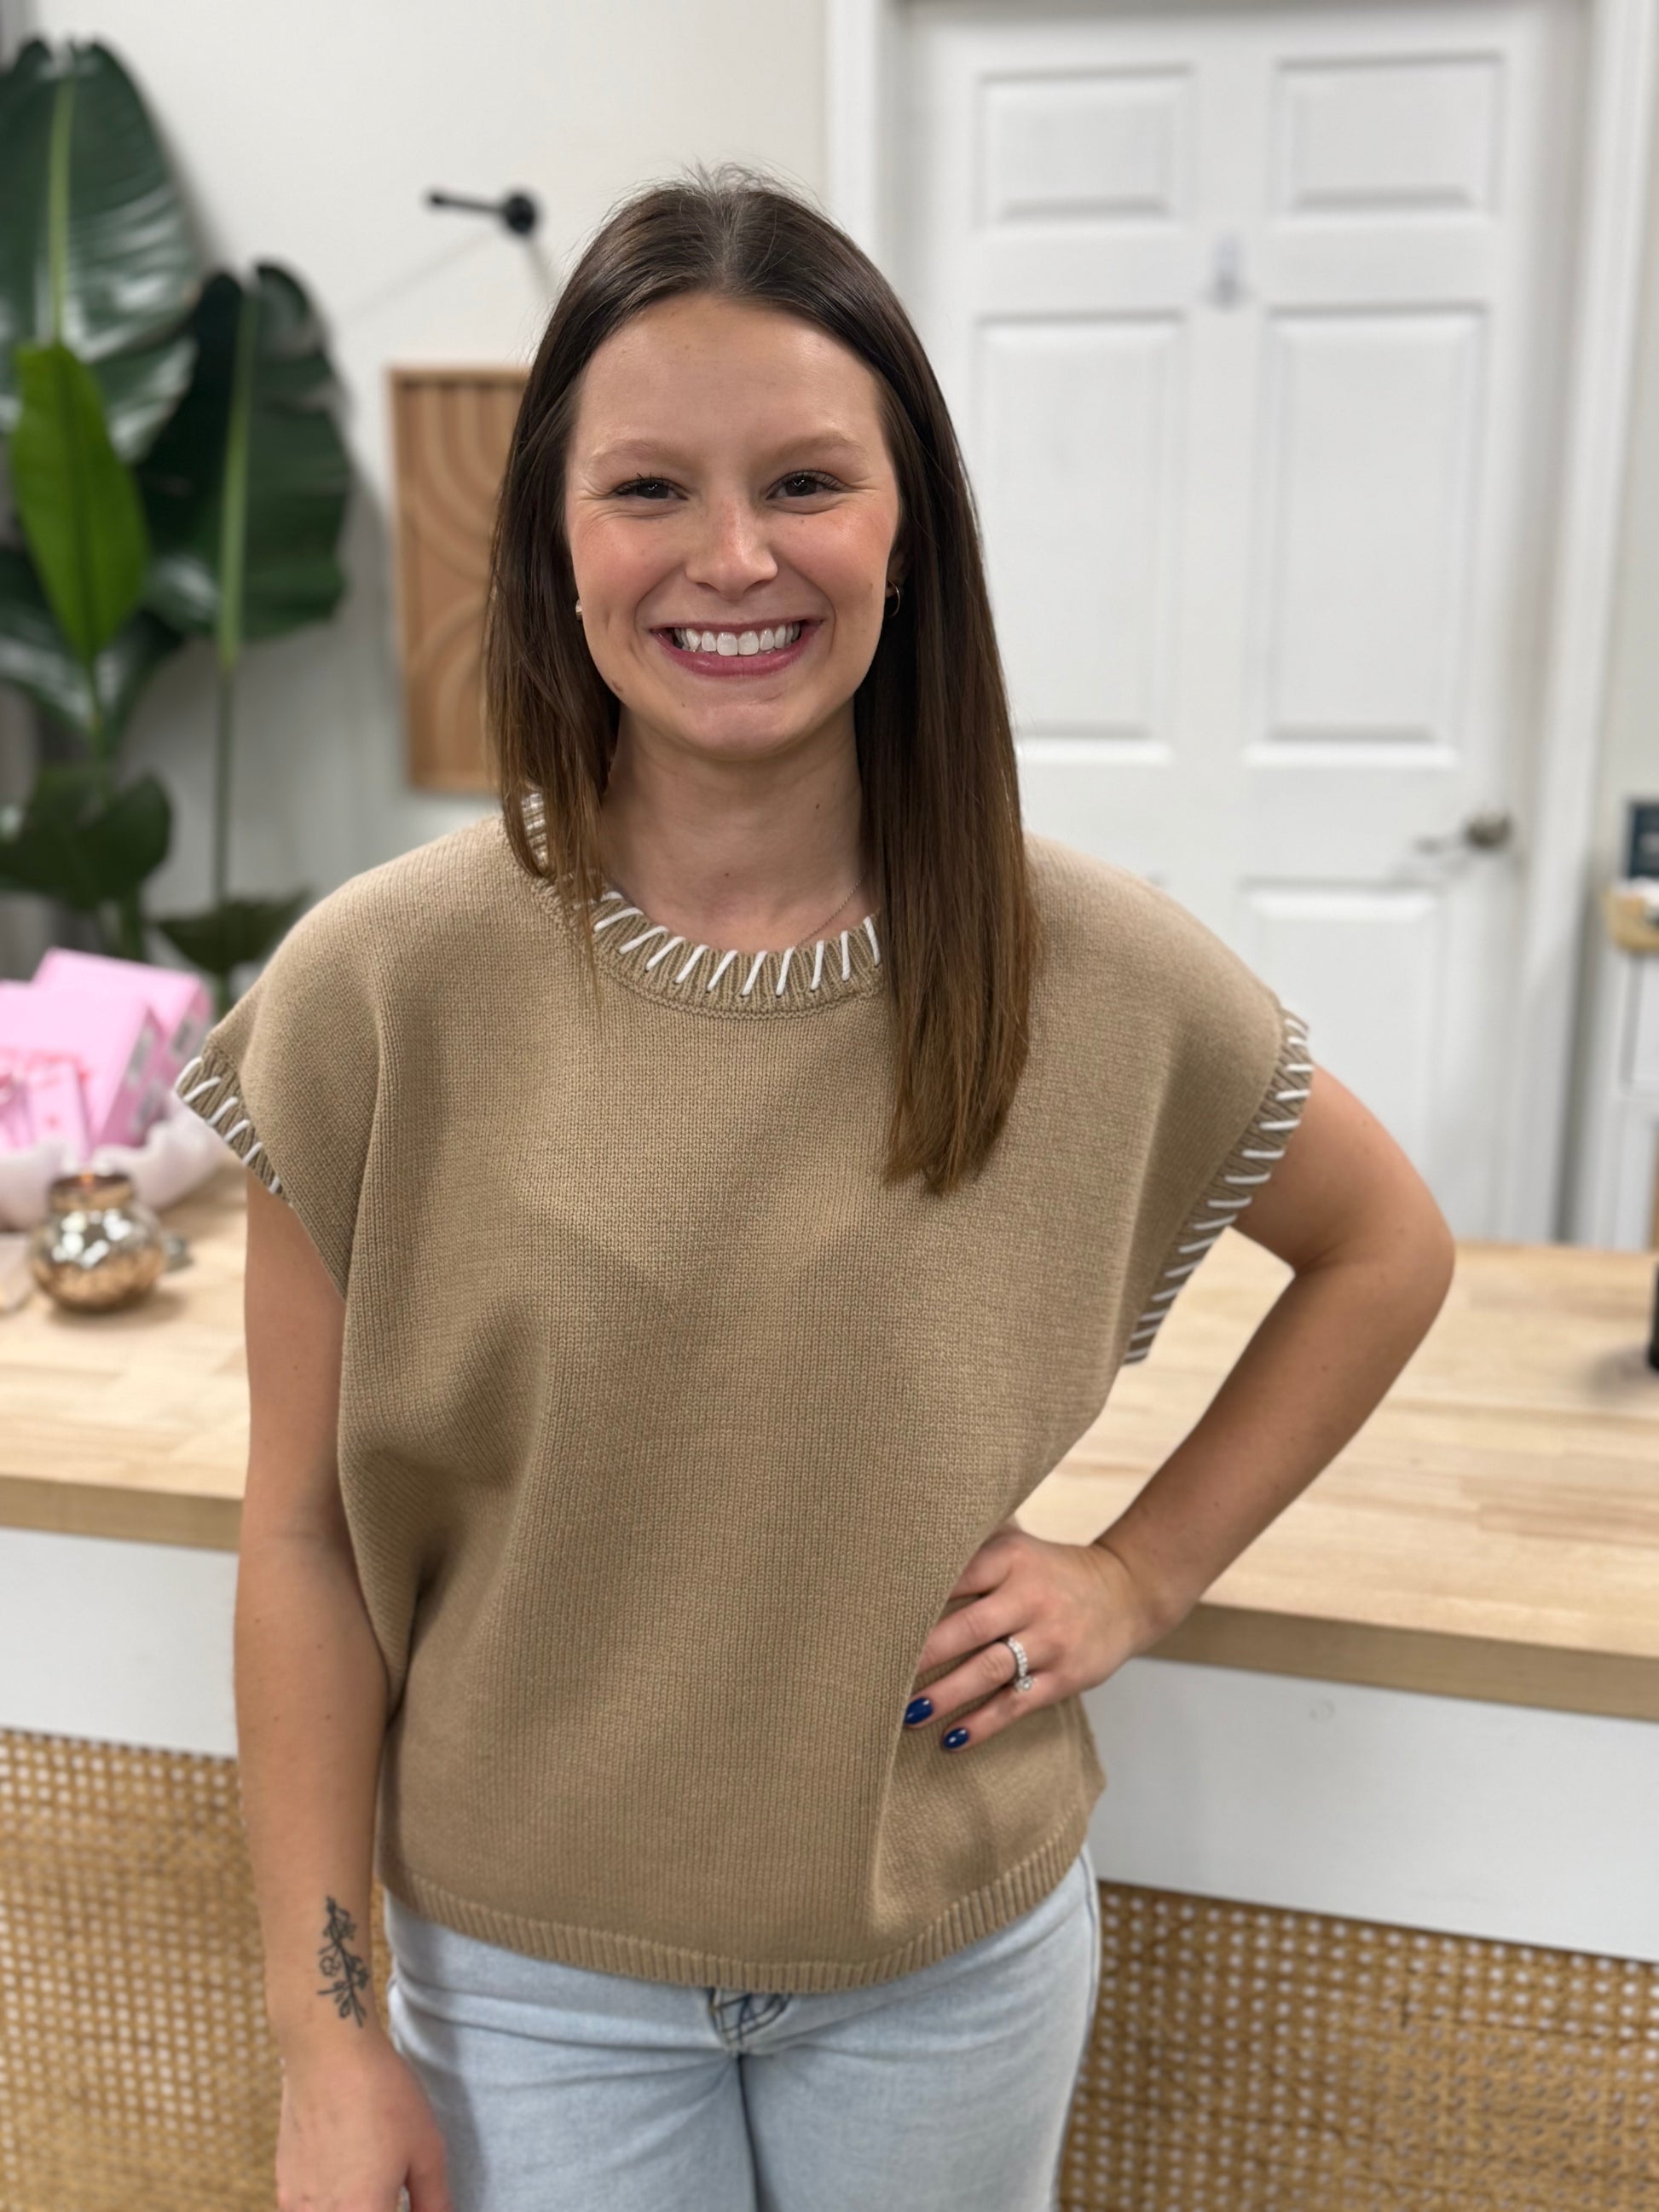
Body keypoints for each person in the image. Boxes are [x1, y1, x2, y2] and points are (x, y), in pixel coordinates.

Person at [174, 166, 1455, 2212]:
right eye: (647, 489)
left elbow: (1384, 1247)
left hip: (951, 1963)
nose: (733, 555)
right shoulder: (379, 989)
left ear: (906, 525)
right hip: (528, 1981)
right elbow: (303, 1536)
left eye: (805, 481)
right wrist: (328, 2037)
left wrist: (1138, 1573)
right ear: (553, 539)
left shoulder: (1087, 963)